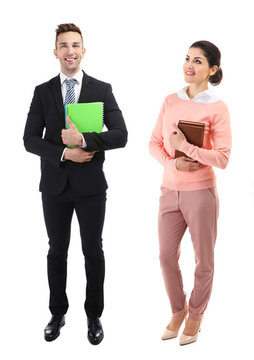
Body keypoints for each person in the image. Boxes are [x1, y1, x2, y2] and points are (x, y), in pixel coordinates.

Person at [23, 23, 128, 345]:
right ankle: (57, 312)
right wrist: (66, 153)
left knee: (92, 251)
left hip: (91, 187)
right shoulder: (43, 91)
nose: (70, 50)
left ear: (84, 51)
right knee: (57, 251)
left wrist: (85, 139)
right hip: (54, 186)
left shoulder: (101, 88)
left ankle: (93, 315)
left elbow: (121, 135)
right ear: (56, 52)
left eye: (76, 45)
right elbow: (29, 140)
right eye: (64, 45)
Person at [148, 40, 231, 346]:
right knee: (166, 256)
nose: (189, 65)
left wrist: (186, 147)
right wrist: (173, 162)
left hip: (201, 193)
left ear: (212, 70)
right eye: (187, 58)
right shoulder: (171, 100)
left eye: (197, 61)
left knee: (203, 261)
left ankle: (195, 314)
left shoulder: (218, 108)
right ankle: (177, 310)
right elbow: (154, 142)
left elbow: (222, 158)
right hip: (169, 190)